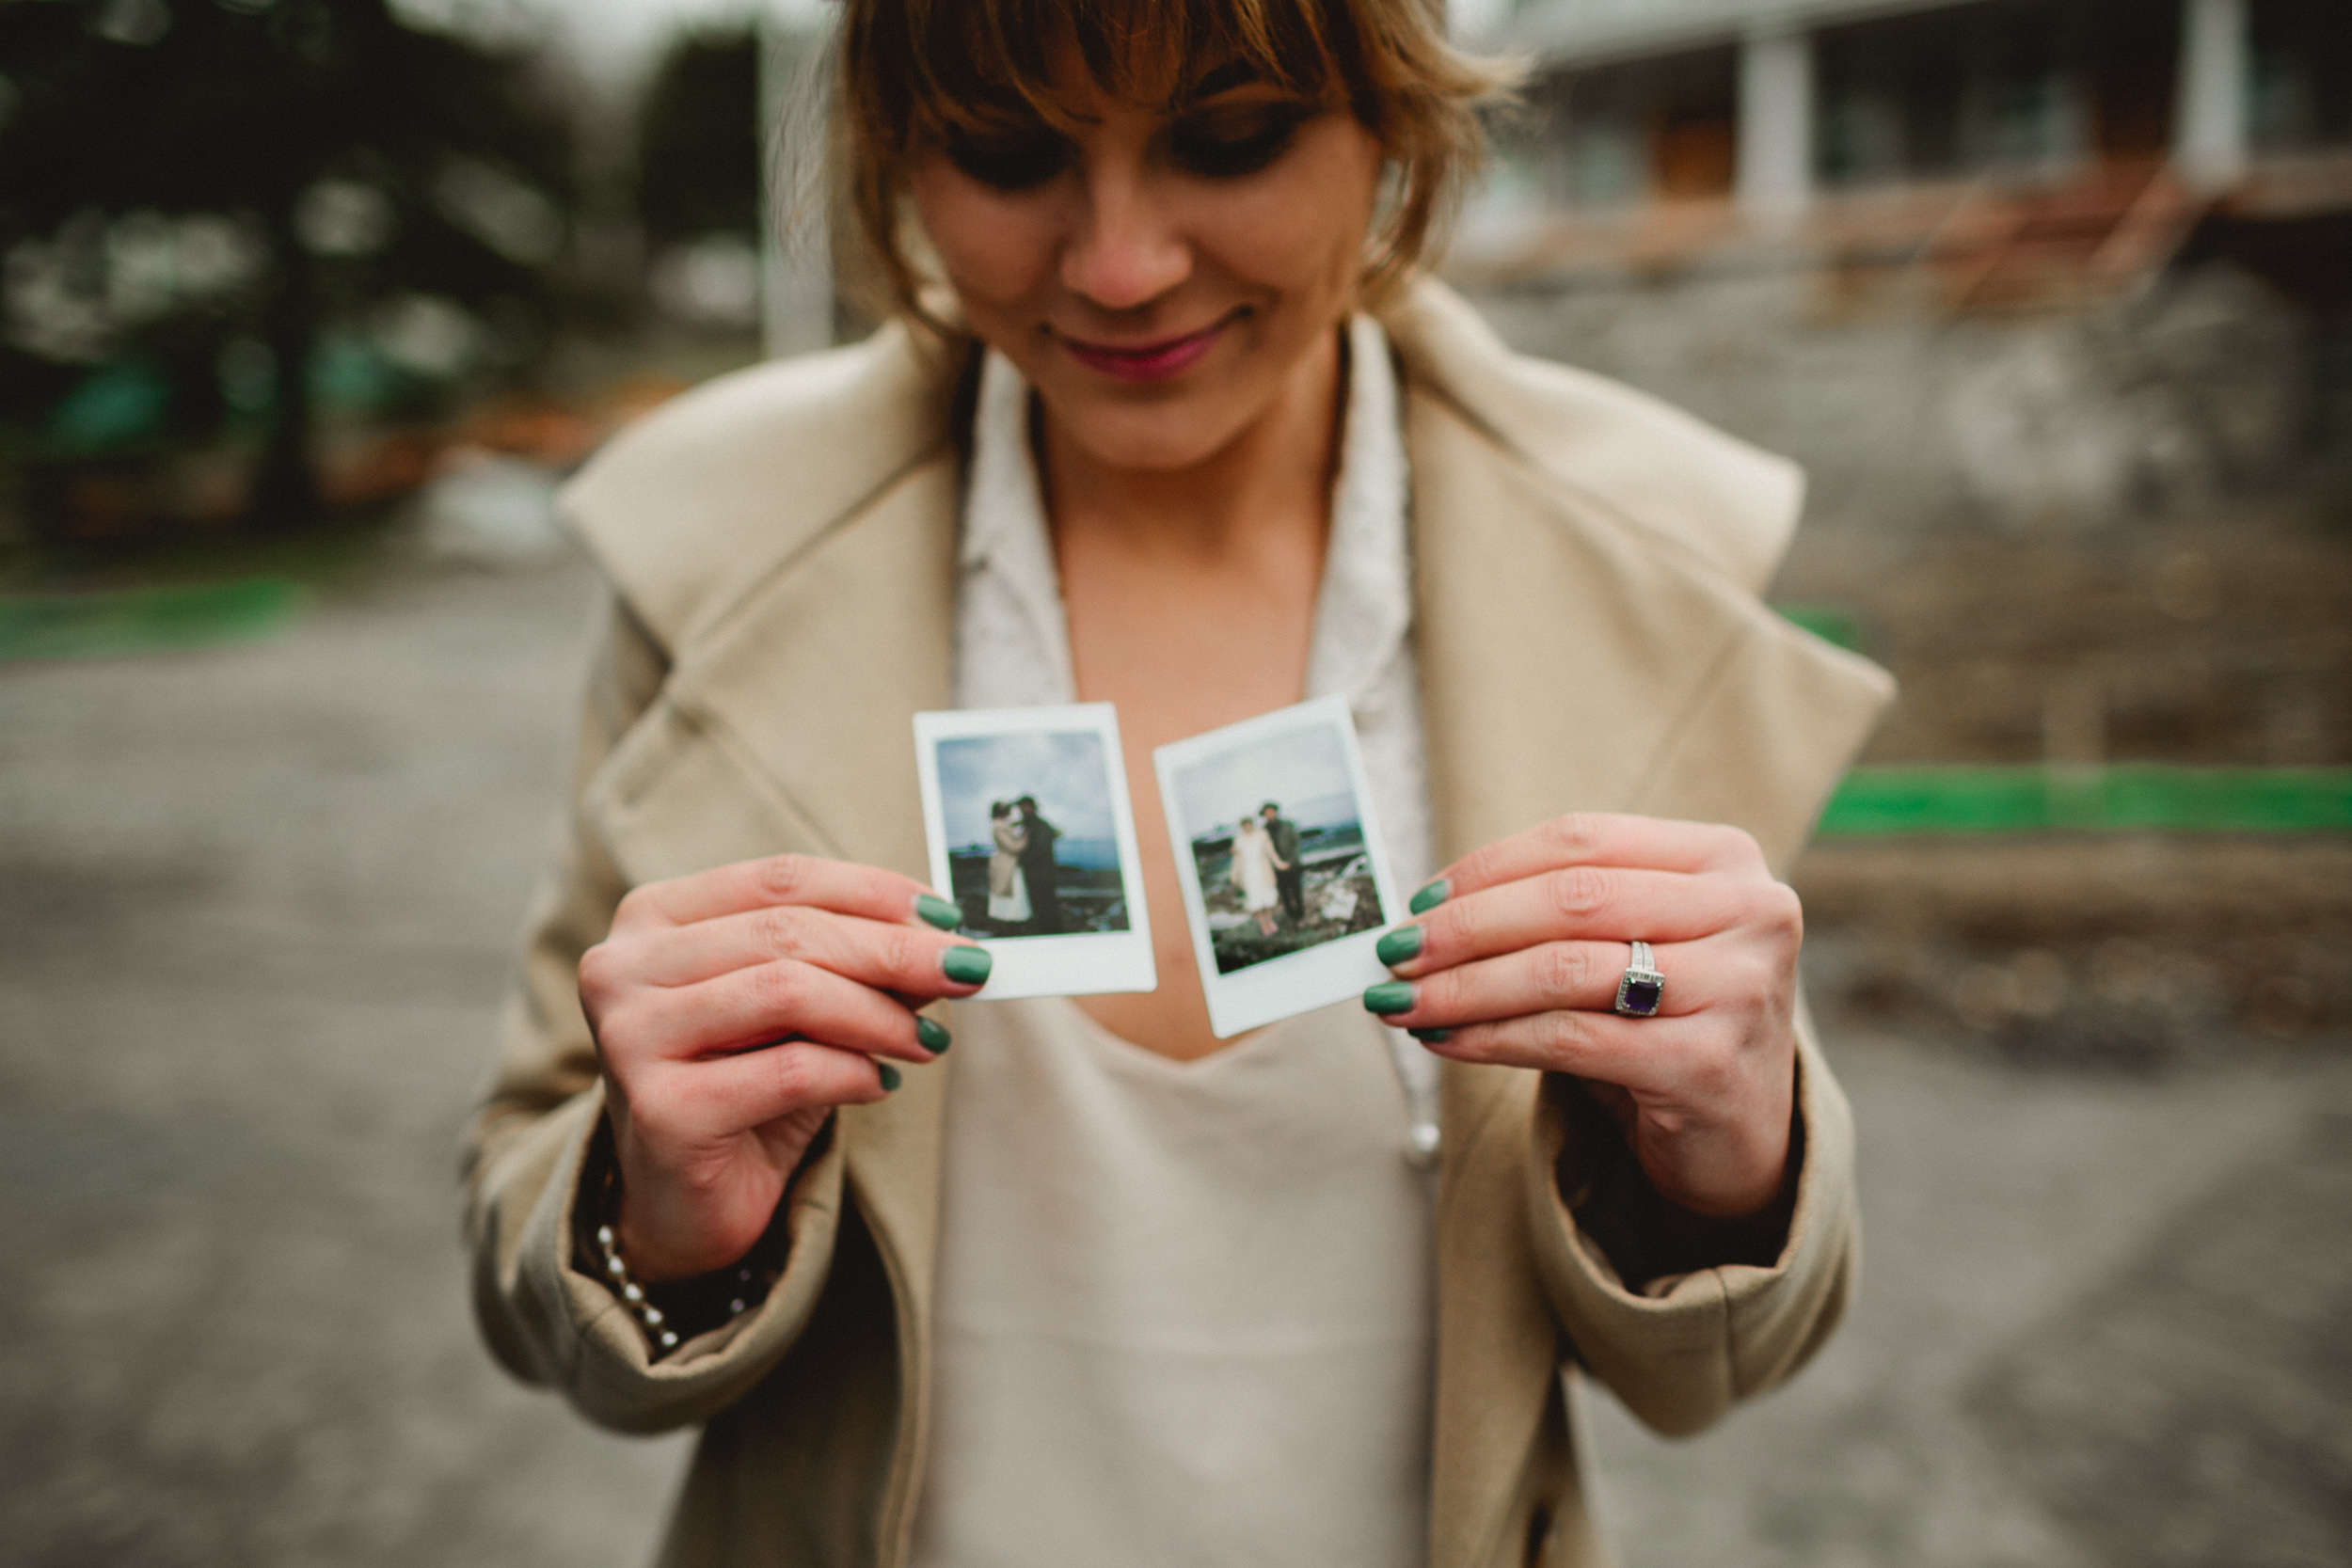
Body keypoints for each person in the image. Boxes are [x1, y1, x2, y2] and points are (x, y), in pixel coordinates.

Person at [461, 4, 1894, 1565]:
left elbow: (1721, 1368)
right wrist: (653, 1206)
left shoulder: (1636, 554)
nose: (1121, 266)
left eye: (1230, 138)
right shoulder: (709, 546)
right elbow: (538, 1273)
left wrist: (1731, 1163)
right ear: (900, 154)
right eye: (1009, 157)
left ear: (1395, 122)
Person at [1012, 795, 1063, 933]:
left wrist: (1020, 859)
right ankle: (1048, 932)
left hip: (1043, 875)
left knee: (1048, 907)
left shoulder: (1041, 825)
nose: (1022, 810)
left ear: (1033, 807)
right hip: (1035, 874)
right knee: (1040, 908)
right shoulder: (1029, 825)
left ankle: (1055, 934)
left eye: (1025, 806)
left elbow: (1041, 850)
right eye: (1020, 807)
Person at [1228, 814, 1284, 937]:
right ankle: (1263, 924)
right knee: (1255, 901)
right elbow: (1236, 859)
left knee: (1267, 898)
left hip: (1263, 871)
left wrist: (1279, 864)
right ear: (1242, 826)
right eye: (1244, 824)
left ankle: (1270, 921)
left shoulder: (1262, 834)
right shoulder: (1238, 839)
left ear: (1252, 823)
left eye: (1249, 823)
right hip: (1248, 873)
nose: (1247, 826)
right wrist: (1233, 874)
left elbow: (1271, 851)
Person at [985, 800, 1030, 929]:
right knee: (1010, 891)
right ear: (1002, 812)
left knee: (1010, 891)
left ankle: (1009, 918)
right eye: (1007, 809)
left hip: (1008, 863)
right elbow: (1012, 847)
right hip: (1006, 863)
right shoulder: (998, 826)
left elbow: (1013, 824)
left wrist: (1023, 821)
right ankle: (1010, 918)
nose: (1010, 811)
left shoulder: (1001, 824)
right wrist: (1025, 839)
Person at [1261, 799, 1305, 924]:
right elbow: (1262, 850)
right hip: (1276, 869)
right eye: (1266, 812)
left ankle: (1300, 915)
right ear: (1264, 815)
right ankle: (1292, 917)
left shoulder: (1288, 825)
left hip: (1292, 865)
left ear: (1275, 812)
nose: (1269, 814)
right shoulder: (1263, 831)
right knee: (1284, 895)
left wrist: (1290, 861)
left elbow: (1295, 843)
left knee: (1297, 892)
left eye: (1271, 811)